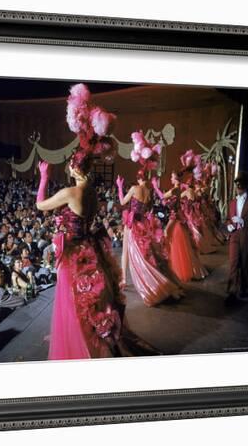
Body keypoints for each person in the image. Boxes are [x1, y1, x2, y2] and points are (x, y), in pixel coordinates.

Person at [35, 82, 159, 360]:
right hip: (90, 249)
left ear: (72, 167)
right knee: (89, 302)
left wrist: (44, 177)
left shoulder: (70, 192)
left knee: (74, 302)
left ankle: (79, 345)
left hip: (73, 254)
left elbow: (40, 204)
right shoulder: (90, 191)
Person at [116, 168, 183, 307]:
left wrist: (119, 186)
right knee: (146, 253)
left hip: (132, 224)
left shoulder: (135, 188)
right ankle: (125, 278)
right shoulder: (149, 192)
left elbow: (122, 202)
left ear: (138, 178)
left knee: (127, 252)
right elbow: (149, 209)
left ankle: (124, 279)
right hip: (143, 223)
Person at [152, 171, 208, 282]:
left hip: (174, 218)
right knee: (179, 244)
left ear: (176, 179)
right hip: (177, 218)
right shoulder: (178, 190)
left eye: (172, 177)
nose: (171, 179)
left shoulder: (174, 190)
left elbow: (162, 196)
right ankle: (179, 267)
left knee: (169, 239)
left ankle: (173, 268)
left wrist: (155, 186)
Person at [225, 172, 248, 304]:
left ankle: (243, 287)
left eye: (240, 185)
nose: (238, 188)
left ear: (245, 187)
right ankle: (232, 291)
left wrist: (243, 221)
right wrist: (229, 226)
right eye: (237, 185)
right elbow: (228, 219)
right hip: (235, 235)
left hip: (246, 235)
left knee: (244, 264)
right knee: (233, 263)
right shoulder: (232, 203)